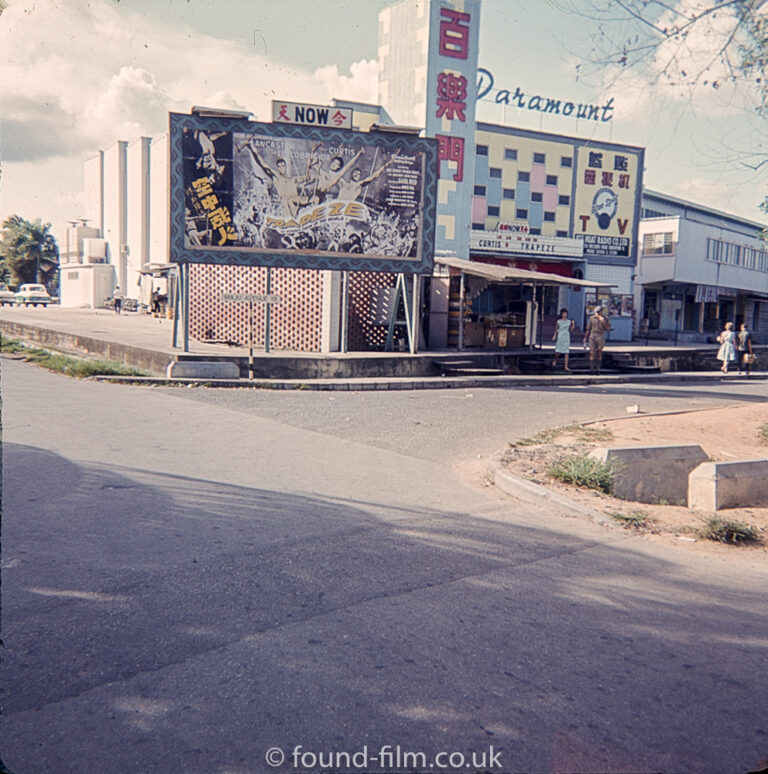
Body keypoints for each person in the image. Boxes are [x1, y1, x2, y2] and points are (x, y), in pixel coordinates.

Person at [583, 305, 611, 374]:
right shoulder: (592, 318)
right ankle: (591, 368)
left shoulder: (605, 318)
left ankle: (598, 369)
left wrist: (603, 321)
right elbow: (588, 328)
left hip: (600, 335)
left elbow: (608, 328)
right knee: (592, 351)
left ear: (601, 312)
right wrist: (585, 337)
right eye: (597, 312)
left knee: (599, 351)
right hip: (593, 335)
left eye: (599, 312)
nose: (598, 313)